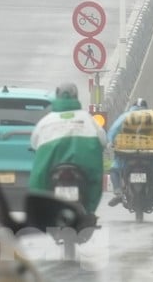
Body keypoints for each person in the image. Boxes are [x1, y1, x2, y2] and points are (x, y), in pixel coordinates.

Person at [29, 83, 107, 215]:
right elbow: (103, 140)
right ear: (76, 96)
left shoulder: (46, 121)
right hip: (84, 167)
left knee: (38, 180)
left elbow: (34, 143)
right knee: (95, 180)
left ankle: (43, 212)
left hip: (53, 167)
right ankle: (89, 212)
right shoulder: (88, 119)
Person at [107, 98, 153, 206]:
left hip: (127, 154)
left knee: (114, 170)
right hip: (149, 154)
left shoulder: (126, 116)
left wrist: (110, 142)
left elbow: (113, 130)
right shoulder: (152, 117)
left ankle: (118, 192)